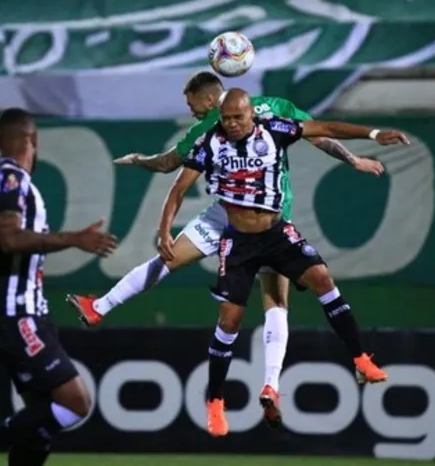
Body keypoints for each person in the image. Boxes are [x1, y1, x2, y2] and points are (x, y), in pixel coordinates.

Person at [66, 71, 384, 427]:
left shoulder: (210, 129)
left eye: (193, 106)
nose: (193, 114)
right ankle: (269, 385)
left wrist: (141, 159)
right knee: (273, 302)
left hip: (267, 221)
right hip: (236, 216)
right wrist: (354, 160)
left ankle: (102, 307)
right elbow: (321, 136)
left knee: (173, 263)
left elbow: (168, 163)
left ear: (208, 99)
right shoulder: (271, 110)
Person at [163, 89, 410, 437]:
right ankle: (216, 402)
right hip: (238, 242)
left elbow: (326, 128)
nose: (232, 124)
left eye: (238, 117)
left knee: (322, 279)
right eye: (226, 118)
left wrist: (372, 135)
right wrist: (163, 231)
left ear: (252, 115)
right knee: (230, 322)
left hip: (277, 234)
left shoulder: (276, 129)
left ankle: (360, 359)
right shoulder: (210, 143)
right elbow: (177, 188)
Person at [0, 108, 118, 466]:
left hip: (21, 310)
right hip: (16, 311)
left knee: (40, 418)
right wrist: (74, 238)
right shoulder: (9, 180)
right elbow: (9, 239)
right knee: (76, 403)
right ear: (34, 142)